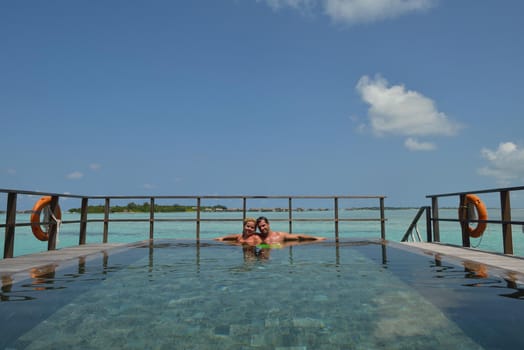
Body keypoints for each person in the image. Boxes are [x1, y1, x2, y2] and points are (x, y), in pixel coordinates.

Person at [255, 216, 326, 244]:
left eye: (263, 225)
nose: (262, 228)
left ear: (268, 224)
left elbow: (299, 237)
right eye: (259, 227)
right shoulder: (257, 237)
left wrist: (316, 238)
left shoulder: (279, 235)